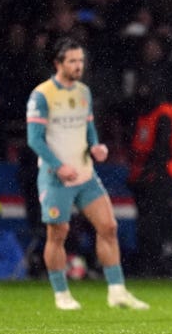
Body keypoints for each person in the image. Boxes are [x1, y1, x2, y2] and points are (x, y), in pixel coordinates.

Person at [26, 37, 148, 310]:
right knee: (58, 233)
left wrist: (96, 146)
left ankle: (117, 291)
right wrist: (59, 166)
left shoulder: (83, 92)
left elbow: (88, 125)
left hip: (85, 175)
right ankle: (61, 294)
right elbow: (35, 139)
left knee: (109, 227)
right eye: (72, 61)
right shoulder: (42, 95)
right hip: (56, 176)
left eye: (80, 60)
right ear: (58, 63)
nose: (78, 65)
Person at [127, 83, 172, 278]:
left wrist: (145, 174)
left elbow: (162, 150)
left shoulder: (163, 115)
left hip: (160, 178)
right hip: (147, 178)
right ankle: (151, 262)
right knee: (148, 223)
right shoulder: (147, 115)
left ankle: (161, 264)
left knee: (157, 222)